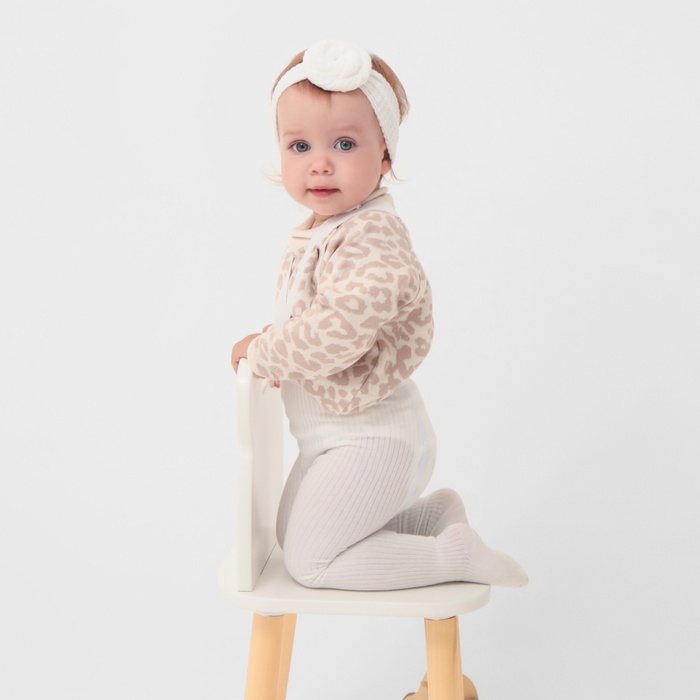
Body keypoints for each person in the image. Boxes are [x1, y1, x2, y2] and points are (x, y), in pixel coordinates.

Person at [231, 40, 528, 595]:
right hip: (329, 435)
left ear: (385, 155)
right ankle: (434, 517)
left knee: (311, 564)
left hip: (372, 438)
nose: (320, 162)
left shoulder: (372, 234)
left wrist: (265, 351)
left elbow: (341, 328)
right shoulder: (325, 230)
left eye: (344, 144)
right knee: (290, 538)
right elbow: (316, 315)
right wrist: (276, 338)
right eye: (299, 145)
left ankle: (452, 554)